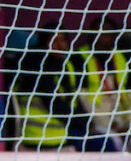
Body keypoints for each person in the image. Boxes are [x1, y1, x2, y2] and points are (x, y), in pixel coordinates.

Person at [77, 15, 131, 152]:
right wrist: (111, 127)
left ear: (114, 36)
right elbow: (83, 100)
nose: (100, 36)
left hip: (123, 120)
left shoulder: (122, 57)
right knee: (114, 142)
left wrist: (130, 125)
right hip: (97, 121)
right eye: (97, 31)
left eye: (106, 32)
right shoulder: (79, 58)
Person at [10, 23, 82, 151]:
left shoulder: (66, 65)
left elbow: (74, 98)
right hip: (33, 138)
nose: (60, 46)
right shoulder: (35, 63)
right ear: (44, 42)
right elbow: (52, 102)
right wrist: (81, 121)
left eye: (63, 40)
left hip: (59, 137)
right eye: (54, 40)